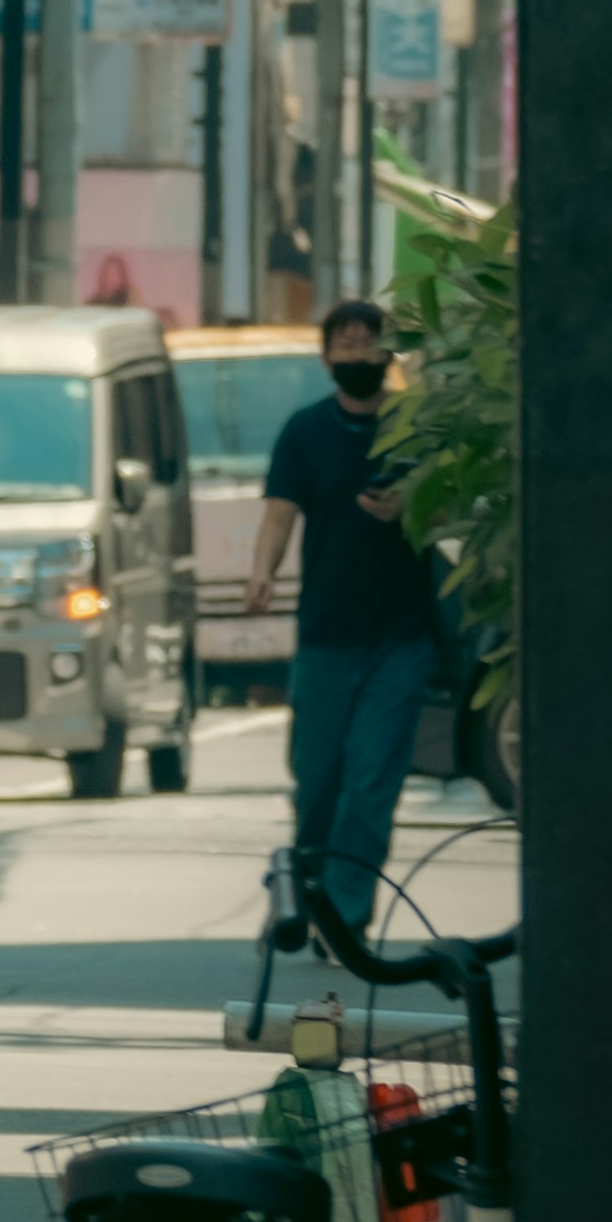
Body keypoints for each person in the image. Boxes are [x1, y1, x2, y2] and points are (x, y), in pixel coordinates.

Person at [250, 291, 442, 946]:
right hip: (327, 633)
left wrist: (408, 511)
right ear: (328, 355)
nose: (357, 352)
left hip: (402, 633)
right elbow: (280, 512)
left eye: (369, 342)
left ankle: (346, 913)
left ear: (390, 355)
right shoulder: (304, 430)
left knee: (372, 778)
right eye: (345, 343)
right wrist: (262, 572)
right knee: (320, 776)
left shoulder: (416, 428)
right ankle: (306, 886)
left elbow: (448, 510)